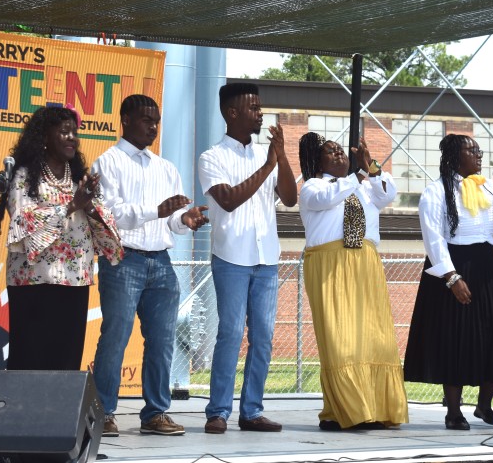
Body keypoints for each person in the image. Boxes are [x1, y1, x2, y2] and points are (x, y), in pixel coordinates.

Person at [92, 94, 209, 438]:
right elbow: (109, 214)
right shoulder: (108, 162)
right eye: (146, 120)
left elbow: (170, 221)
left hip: (160, 260)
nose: (153, 126)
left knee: (162, 339)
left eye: (156, 120)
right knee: (116, 335)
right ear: (125, 119)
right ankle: (103, 412)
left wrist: (184, 220)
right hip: (122, 258)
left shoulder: (165, 167)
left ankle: (156, 413)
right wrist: (155, 211)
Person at [198, 82, 297, 434]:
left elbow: (289, 197)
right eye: (253, 108)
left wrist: (281, 158)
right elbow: (228, 199)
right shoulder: (212, 157)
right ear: (232, 112)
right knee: (229, 332)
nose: (260, 113)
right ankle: (218, 411)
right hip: (231, 258)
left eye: (260, 107)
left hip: (266, 258)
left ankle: (251, 410)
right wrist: (268, 166)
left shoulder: (266, 154)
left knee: (264, 336)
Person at [0, 106, 122, 371]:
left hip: (74, 280)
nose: (72, 138)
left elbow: (106, 228)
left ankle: (59, 412)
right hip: (32, 280)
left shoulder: (79, 179)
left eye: (74, 133)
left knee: (66, 357)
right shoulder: (24, 175)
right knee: (30, 355)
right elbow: (22, 220)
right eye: (64, 132)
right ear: (43, 137)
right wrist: (70, 206)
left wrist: (87, 205)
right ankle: (23, 411)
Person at [297, 132, 408, 430]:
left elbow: (387, 195)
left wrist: (370, 165)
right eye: (330, 152)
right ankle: (343, 410)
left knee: (373, 338)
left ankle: (374, 407)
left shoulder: (362, 185)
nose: (339, 155)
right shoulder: (312, 187)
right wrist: (356, 176)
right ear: (316, 161)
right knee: (341, 340)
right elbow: (329, 198)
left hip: (365, 261)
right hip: (331, 264)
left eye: (340, 151)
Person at [404, 134, 493, 430]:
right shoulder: (436, 191)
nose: (479, 154)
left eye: (479, 150)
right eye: (471, 150)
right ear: (455, 156)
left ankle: (484, 405)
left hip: (485, 262)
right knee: (455, 337)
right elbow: (433, 237)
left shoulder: (489, 188)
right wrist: (451, 277)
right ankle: (454, 411)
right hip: (454, 265)